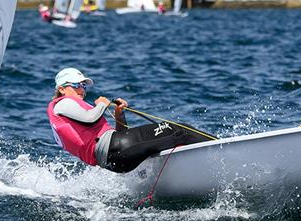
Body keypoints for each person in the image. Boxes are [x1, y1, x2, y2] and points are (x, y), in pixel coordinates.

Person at [47, 68, 212, 173]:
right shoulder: (62, 104)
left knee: (171, 138)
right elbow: (91, 118)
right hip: (116, 149)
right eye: (77, 85)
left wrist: (119, 115)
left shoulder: (70, 110)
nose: (82, 90)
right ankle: (223, 147)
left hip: (116, 161)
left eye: (84, 85)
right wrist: (102, 105)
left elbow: (121, 132)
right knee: (178, 130)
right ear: (61, 89)